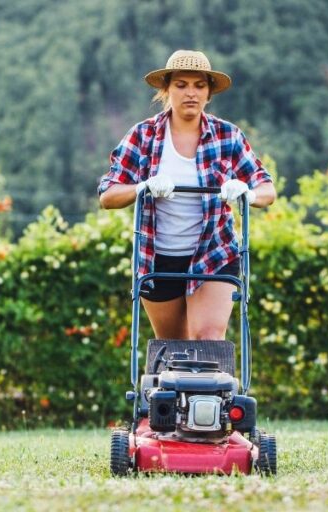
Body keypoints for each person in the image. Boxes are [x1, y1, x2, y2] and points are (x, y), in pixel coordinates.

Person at [98, 49, 276, 341]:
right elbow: (108, 194)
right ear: (166, 90)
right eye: (181, 85)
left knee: (207, 340)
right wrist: (142, 187)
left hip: (214, 252)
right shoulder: (143, 136)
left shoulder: (227, 136)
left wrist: (248, 194)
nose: (190, 93)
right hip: (159, 258)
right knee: (173, 349)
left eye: (199, 85)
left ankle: (209, 389)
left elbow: (267, 188)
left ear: (209, 93)